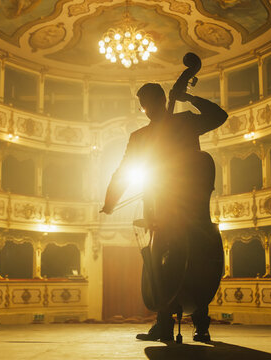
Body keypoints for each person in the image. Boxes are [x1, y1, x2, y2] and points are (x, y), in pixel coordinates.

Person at [101, 82, 227, 342]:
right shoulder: (158, 131)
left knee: (172, 266)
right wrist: (110, 201)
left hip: (171, 210)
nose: (147, 109)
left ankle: (180, 325)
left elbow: (219, 116)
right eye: (145, 105)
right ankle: (184, 326)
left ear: (153, 103)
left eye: (148, 104)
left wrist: (189, 97)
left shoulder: (172, 125)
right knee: (178, 265)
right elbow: (124, 171)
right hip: (175, 212)